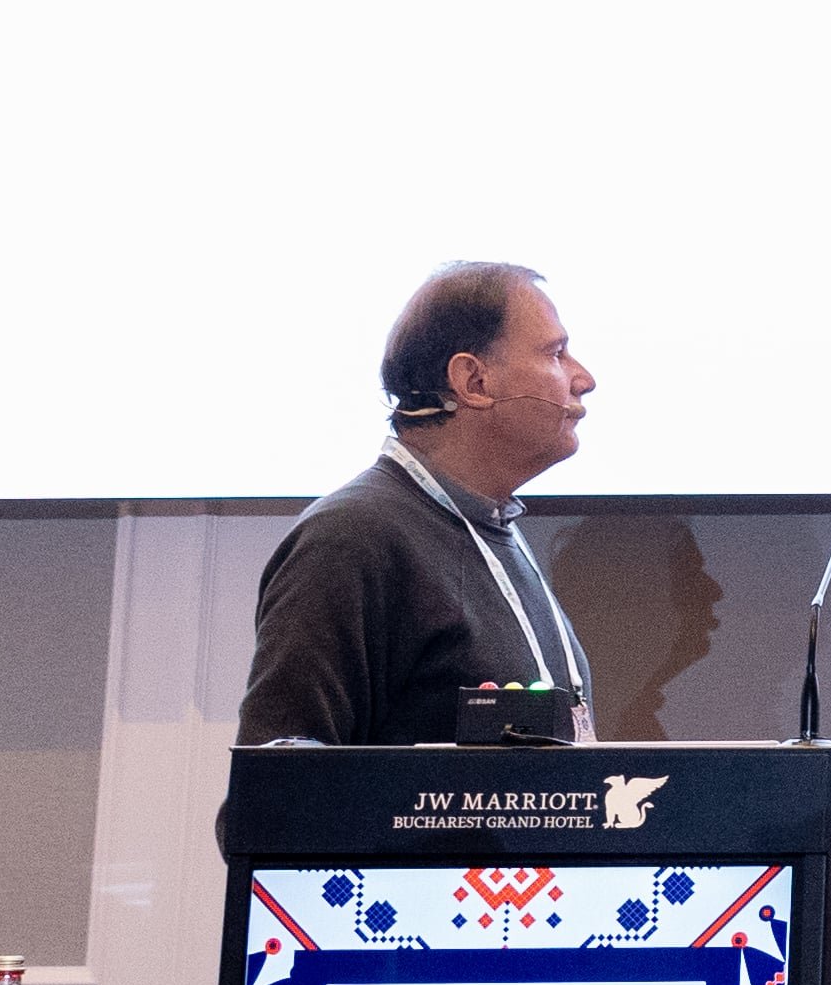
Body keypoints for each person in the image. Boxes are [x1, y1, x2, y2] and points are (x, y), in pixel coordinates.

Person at [237, 260, 602, 744]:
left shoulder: (492, 527)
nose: (584, 379)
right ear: (474, 382)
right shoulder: (349, 539)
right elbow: (277, 779)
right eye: (556, 354)